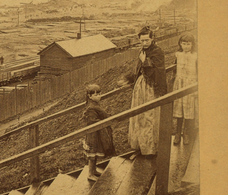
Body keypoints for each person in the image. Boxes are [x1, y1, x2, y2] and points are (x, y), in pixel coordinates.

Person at [118, 26, 168, 158]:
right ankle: (140, 145)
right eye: (142, 41)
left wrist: (144, 61)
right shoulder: (142, 51)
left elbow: (158, 71)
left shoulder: (158, 52)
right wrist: (130, 79)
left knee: (149, 116)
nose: (145, 43)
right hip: (140, 87)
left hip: (151, 88)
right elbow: (139, 69)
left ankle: (150, 149)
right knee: (139, 116)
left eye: (147, 40)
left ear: (152, 39)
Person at [81, 84, 117, 181]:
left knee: (96, 153)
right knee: (92, 154)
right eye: (96, 95)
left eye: (99, 94)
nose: (98, 96)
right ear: (90, 96)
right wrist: (103, 121)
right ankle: (90, 174)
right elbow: (92, 121)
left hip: (97, 132)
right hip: (93, 134)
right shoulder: (91, 107)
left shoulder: (95, 105)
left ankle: (94, 170)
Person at [172, 33, 198, 146]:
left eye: (188, 44)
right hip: (179, 84)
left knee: (189, 110)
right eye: (183, 44)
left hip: (190, 85)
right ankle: (178, 133)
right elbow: (174, 70)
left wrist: (196, 88)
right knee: (179, 110)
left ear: (192, 45)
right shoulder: (178, 55)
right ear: (180, 44)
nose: (186, 46)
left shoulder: (196, 56)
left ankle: (186, 133)